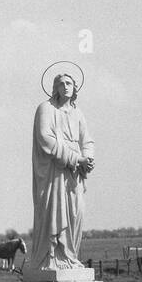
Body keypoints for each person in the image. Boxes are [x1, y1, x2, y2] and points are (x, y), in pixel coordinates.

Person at [28, 73, 95, 272]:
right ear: (55, 88)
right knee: (54, 214)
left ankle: (70, 258)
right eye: (61, 84)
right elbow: (45, 138)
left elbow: (87, 140)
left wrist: (88, 158)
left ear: (75, 88)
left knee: (76, 212)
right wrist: (76, 158)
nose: (65, 87)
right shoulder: (46, 109)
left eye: (69, 84)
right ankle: (52, 259)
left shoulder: (78, 113)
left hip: (74, 174)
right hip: (54, 173)